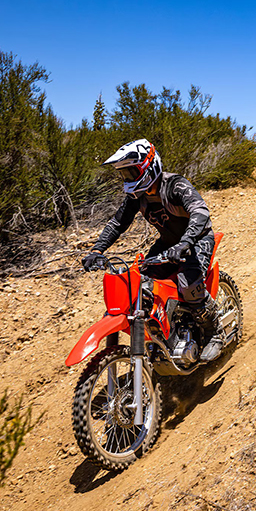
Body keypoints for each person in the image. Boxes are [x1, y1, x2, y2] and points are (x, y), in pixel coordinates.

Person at [82, 139, 225, 362]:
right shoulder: (136, 196)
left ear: (149, 166)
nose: (128, 178)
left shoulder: (175, 185)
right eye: (125, 174)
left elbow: (200, 212)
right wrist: (97, 250)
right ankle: (162, 335)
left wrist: (186, 242)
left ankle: (215, 332)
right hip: (169, 241)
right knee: (138, 280)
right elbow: (117, 223)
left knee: (188, 284)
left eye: (131, 172)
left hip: (197, 239)